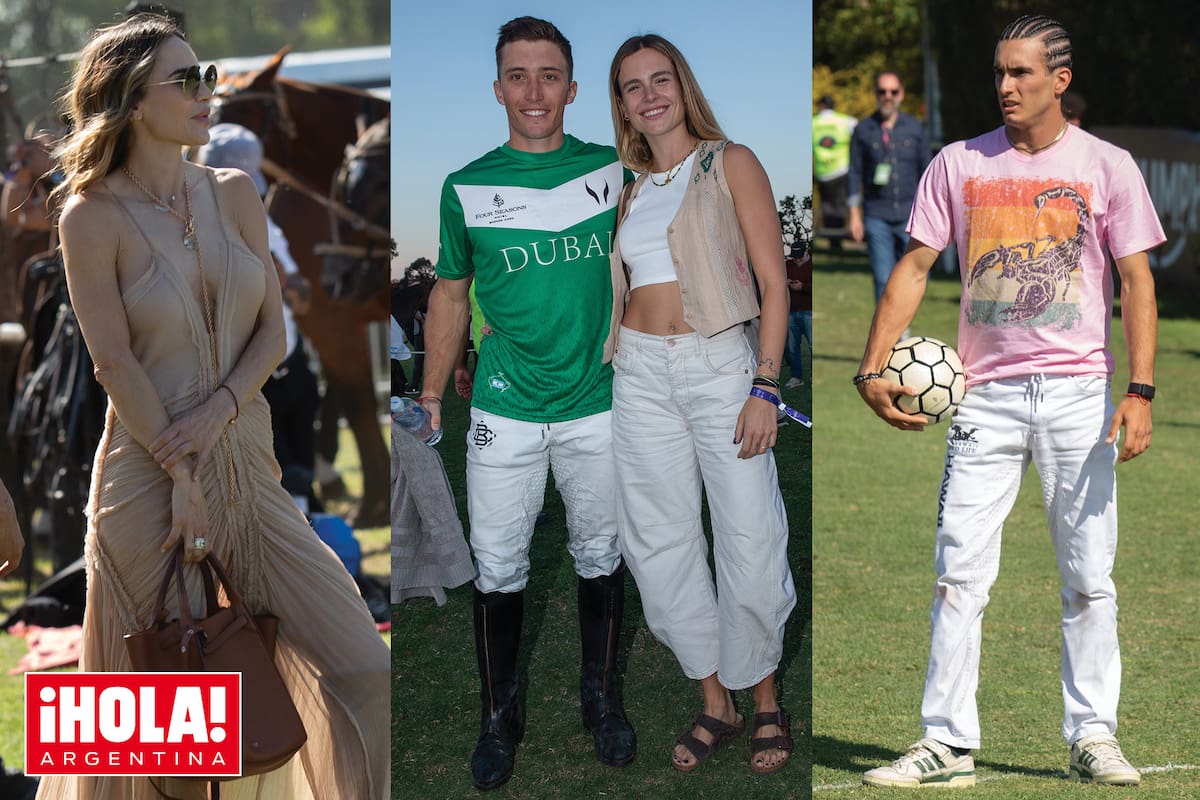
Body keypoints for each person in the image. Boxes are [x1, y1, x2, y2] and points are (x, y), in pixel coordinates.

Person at [37, 15, 389, 798]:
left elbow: (273, 331)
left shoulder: (234, 191)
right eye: (187, 80)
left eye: (210, 75)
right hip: (145, 483)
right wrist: (183, 469)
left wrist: (221, 408)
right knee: (178, 742)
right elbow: (112, 361)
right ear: (131, 102)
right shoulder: (88, 216)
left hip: (251, 469)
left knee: (365, 667)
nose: (209, 93)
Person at [855, 14, 1162, 789]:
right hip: (982, 401)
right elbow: (915, 267)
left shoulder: (1108, 165)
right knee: (958, 574)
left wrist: (1140, 390)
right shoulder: (957, 163)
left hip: (1079, 396)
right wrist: (869, 368)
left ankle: (1094, 736)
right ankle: (946, 743)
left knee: (1089, 576)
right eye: (999, 72)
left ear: (1058, 80)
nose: (1006, 86)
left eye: (1022, 73)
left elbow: (1136, 283)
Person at [417, 16, 635, 791]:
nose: (534, 90)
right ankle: (497, 716)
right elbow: (449, 296)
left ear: (573, 89)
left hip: (601, 402)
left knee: (600, 555)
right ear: (499, 88)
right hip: (504, 409)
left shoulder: (616, 170)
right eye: (518, 75)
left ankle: (600, 699)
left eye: (549, 75)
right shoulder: (465, 186)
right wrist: (432, 393)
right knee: (499, 565)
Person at [605, 34, 796, 775]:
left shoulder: (729, 161)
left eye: (661, 80)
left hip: (721, 366)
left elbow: (774, 285)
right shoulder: (628, 188)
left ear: (682, 87)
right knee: (658, 541)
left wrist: (765, 385)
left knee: (749, 532)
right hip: (640, 373)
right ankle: (715, 698)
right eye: (632, 85)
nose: (649, 95)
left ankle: (768, 698)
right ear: (620, 103)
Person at [196, 122, 320, 514]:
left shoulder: (262, 223)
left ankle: (305, 533)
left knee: (296, 466)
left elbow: (298, 293)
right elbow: (294, 288)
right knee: (272, 471)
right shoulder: (197, 225)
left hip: (282, 356)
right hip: (244, 370)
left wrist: (288, 283)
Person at [847, 71, 931, 303]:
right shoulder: (863, 129)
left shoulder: (914, 128)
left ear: (901, 94)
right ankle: (887, 335)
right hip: (876, 214)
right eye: (882, 91)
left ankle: (905, 328)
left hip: (910, 214)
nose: (888, 96)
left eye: (893, 91)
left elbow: (928, 171)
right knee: (883, 277)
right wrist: (854, 214)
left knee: (914, 275)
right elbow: (854, 172)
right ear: (876, 94)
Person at [812, 95, 856, 239]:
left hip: (822, 171)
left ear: (821, 106)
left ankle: (830, 237)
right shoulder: (843, 121)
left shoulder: (814, 122)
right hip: (840, 169)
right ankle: (837, 238)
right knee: (839, 205)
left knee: (826, 206)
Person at [785, 247, 812, 389]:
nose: (797, 260)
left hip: (809, 311)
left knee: (813, 346)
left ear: (806, 252)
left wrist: (803, 287)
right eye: (795, 257)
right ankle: (796, 377)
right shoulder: (788, 265)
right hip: (791, 311)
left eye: (799, 256)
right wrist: (787, 282)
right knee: (792, 347)